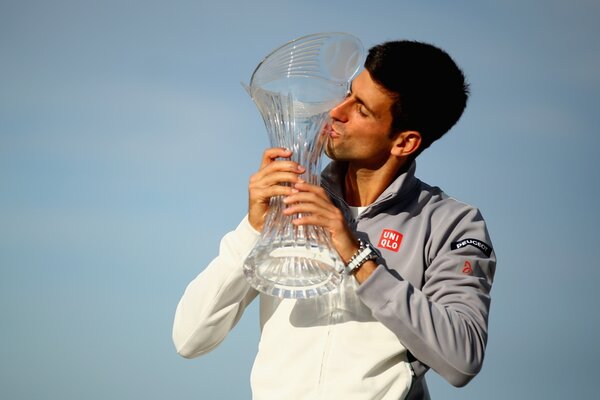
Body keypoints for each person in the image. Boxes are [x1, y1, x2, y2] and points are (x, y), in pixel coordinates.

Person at [173, 39, 496, 400]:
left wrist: (356, 256)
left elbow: (462, 359)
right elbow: (189, 338)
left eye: (361, 109)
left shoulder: (451, 223)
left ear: (404, 143)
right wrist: (253, 229)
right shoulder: (294, 198)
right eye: (347, 94)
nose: (336, 111)